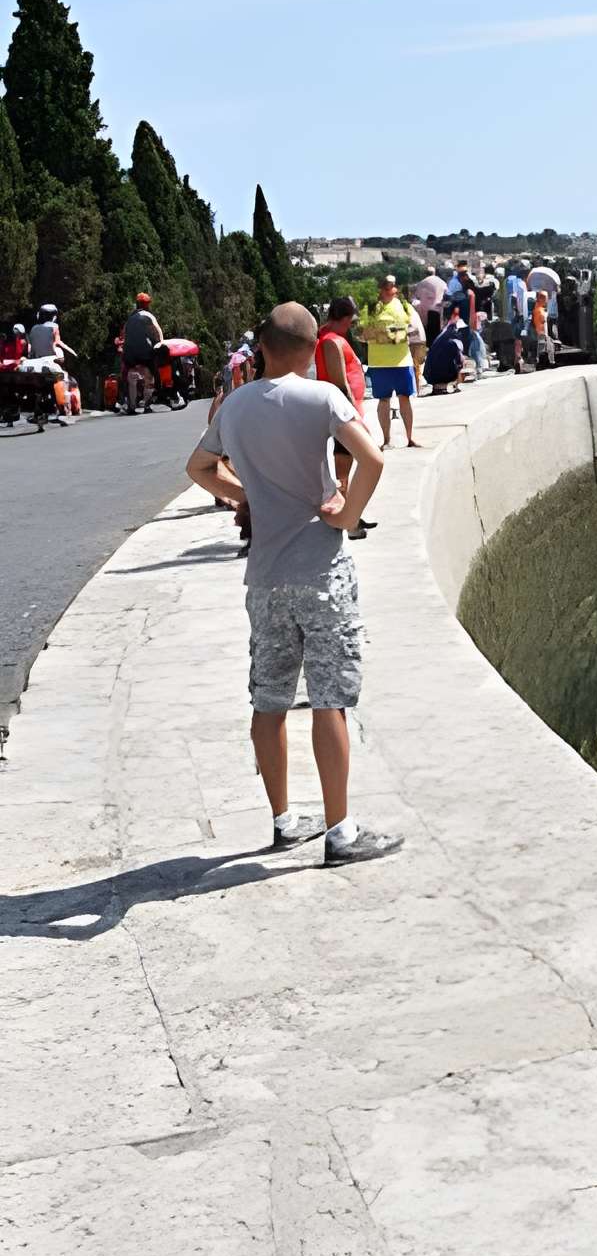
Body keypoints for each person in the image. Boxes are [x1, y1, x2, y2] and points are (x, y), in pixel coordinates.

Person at [185, 302, 402, 868]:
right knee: (329, 699)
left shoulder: (235, 405)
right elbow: (373, 460)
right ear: (311, 350)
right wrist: (346, 514)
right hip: (322, 571)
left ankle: (284, 821)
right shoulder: (323, 397)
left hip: (266, 579)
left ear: (261, 347)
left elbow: (199, 468)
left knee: (269, 699)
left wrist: (247, 496)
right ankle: (340, 833)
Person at [314, 297, 375, 538]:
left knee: (347, 467)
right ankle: (349, 523)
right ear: (346, 318)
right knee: (345, 470)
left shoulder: (332, 337)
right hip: (344, 414)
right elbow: (339, 382)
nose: (352, 325)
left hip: (346, 412)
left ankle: (353, 517)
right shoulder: (331, 341)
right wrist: (353, 417)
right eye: (351, 320)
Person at [360, 274, 420, 447]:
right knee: (383, 400)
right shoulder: (370, 308)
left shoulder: (404, 306)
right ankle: (386, 440)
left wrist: (384, 333)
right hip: (379, 363)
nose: (390, 289)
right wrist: (392, 334)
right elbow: (362, 334)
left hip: (402, 361)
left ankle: (410, 438)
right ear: (380, 288)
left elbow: (414, 329)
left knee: (405, 398)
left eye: (393, 286)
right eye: (386, 286)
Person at [120, 291, 166, 412]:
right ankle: (147, 405)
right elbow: (157, 331)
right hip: (145, 352)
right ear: (147, 305)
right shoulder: (149, 316)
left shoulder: (130, 318)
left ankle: (131, 406)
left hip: (129, 353)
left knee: (129, 376)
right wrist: (160, 343)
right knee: (151, 376)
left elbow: (124, 335)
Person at [423, 305, 467, 393]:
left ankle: (439, 387)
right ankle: (456, 385)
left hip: (429, 374)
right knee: (462, 360)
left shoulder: (443, 334)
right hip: (444, 375)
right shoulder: (454, 334)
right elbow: (459, 357)